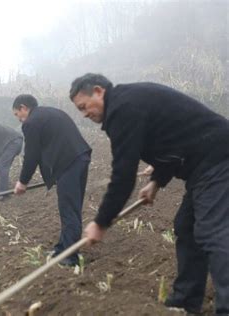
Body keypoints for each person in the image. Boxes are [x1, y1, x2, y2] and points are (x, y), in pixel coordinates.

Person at [69, 73, 229, 314]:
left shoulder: (123, 109)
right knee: (186, 227)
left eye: (83, 106)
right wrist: (156, 182)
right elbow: (171, 143)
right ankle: (186, 301)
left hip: (217, 158)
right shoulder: (128, 102)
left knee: (212, 232)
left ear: (99, 91)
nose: (84, 113)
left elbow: (123, 175)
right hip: (205, 162)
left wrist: (101, 222)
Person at [12, 94, 91, 267]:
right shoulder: (51, 112)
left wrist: (22, 182)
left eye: (17, 114)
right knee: (72, 207)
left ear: (23, 108)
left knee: (69, 209)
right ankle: (62, 248)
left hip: (68, 163)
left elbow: (32, 155)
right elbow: (47, 146)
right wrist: (52, 178)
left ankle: (70, 257)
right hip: (80, 157)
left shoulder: (32, 122)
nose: (19, 119)